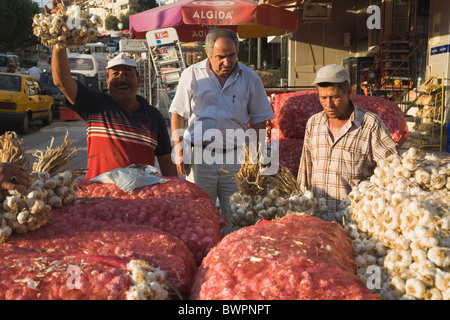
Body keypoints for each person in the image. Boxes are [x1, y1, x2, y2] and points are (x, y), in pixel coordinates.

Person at [47, 2, 177, 179]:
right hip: (99, 199)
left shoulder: (154, 116)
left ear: (138, 81)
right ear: (107, 82)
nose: (122, 78)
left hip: (141, 201)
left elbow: (166, 161)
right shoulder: (95, 105)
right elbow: (61, 81)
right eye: (115, 73)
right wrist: (59, 34)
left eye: (128, 73)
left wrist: (176, 198)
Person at [169, 28, 274, 234]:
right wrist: (179, 150)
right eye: (220, 57)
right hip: (200, 157)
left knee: (237, 216)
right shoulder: (192, 75)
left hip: (236, 159)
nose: (227, 62)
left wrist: (262, 155)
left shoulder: (249, 78)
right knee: (200, 217)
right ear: (208, 53)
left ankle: (232, 261)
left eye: (231, 55)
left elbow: (261, 119)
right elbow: (177, 114)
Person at [297, 64, 399, 213]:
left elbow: (393, 172)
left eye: (335, 97)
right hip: (317, 221)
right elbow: (305, 171)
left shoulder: (370, 124)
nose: (329, 104)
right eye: (323, 98)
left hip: (353, 223)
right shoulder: (314, 124)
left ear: (348, 92)